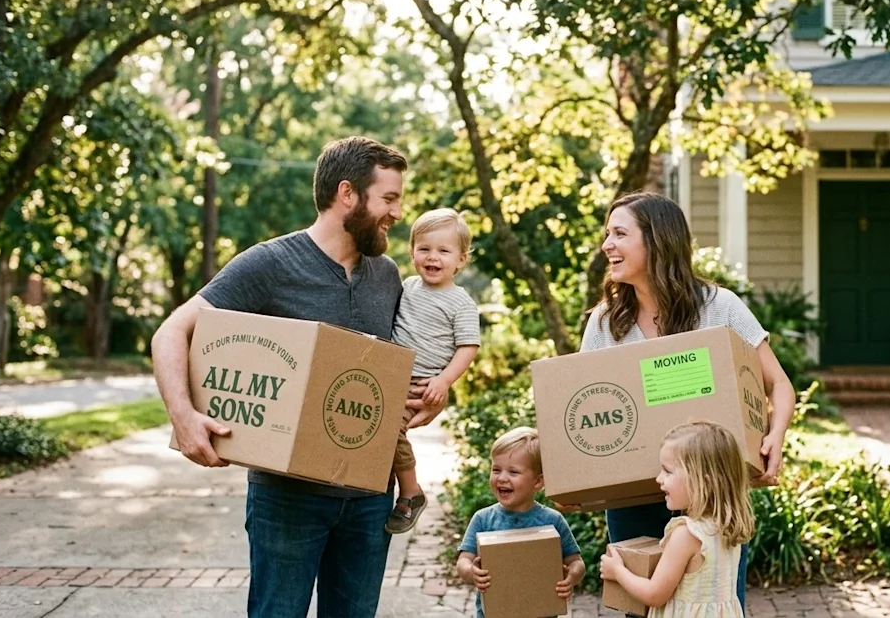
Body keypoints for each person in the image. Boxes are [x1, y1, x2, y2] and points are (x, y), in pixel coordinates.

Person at [151, 136, 441, 618]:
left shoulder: (387, 274)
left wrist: (432, 394)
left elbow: (394, 364)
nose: (397, 213)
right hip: (287, 499)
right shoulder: (270, 263)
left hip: (371, 496)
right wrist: (183, 417)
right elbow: (171, 331)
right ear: (347, 194)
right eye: (388, 199)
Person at [578, 191, 797, 613]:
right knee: (640, 608)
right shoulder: (606, 323)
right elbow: (588, 409)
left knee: (713, 605)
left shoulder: (719, 308)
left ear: (657, 240)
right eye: (607, 234)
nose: (607, 245)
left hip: (712, 497)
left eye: (619, 233)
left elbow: (779, 386)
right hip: (633, 496)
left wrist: (775, 438)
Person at [386, 208, 481, 534]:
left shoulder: (460, 302)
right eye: (424, 248)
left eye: (444, 251)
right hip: (390, 372)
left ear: (461, 259)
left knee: (390, 432)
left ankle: (411, 492)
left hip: (419, 382)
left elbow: (468, 347)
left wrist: (444, 380)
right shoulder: (408, 286)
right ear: (412, 252)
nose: (433, 257)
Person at [600, 421, 754, 617]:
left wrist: (618, 571)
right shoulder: (726, 526)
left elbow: (655, 594)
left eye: (668, 471)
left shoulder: (686, 535)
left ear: (703, 483)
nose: (658, 479)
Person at [457, 426, 587, 618]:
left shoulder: (552, 520)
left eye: (513, 472)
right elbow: (463, 561)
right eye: (496, 470)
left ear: (537, 482)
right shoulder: (483, 519)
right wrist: (471, 572)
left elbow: (576, 563)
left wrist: (570, 578)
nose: (502, 478)